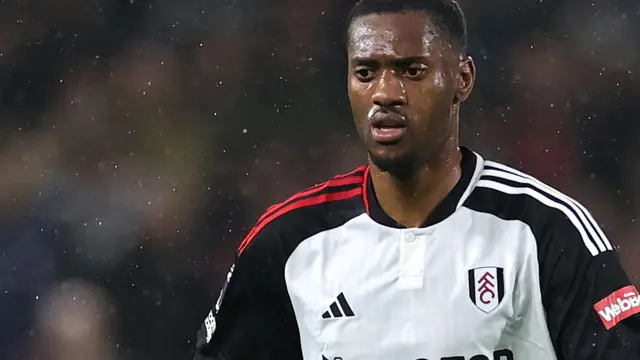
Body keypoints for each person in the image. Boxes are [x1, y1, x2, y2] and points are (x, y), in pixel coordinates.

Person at [192, 0, 640, 359]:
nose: (385, 93)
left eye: (412, 71)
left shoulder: (545, 230)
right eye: (365, 72)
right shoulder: (289, 242)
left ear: (462, 79)